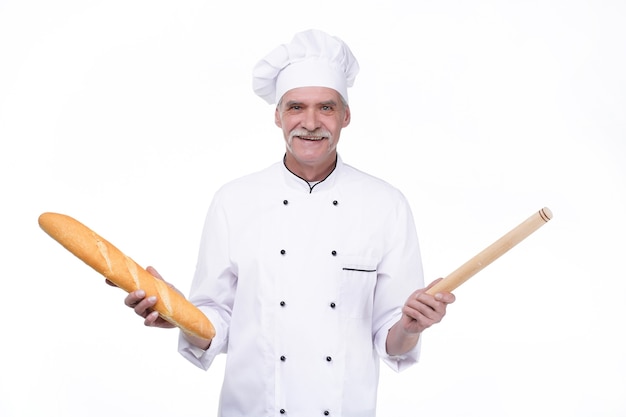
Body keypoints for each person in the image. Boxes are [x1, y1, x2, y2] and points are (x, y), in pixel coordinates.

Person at [123, 29, 455, 417]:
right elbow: (217, 320)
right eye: (296, 107)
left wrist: (412, 327)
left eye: (326, 108)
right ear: (278, 115)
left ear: (346, 115)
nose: (310, 122)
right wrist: (177, 313)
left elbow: (390, 337)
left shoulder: (386, 205)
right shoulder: (234, 201)